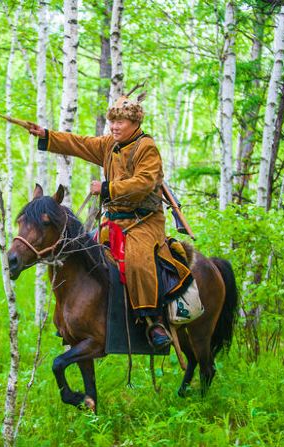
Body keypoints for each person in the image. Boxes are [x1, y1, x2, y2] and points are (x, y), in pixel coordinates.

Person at [28, 95, 176, 350]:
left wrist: (107, 188)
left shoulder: (147, 148)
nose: (115, 126)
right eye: (112, 121)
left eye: (121, 121)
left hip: (145, 222)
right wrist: (47, 135)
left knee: (138, 260)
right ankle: (81, 321)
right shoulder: (110, 145)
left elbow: (144, 183)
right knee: (78, 251)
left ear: (135, 122)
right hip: (113, 222)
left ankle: (154, 322)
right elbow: (79, 143)